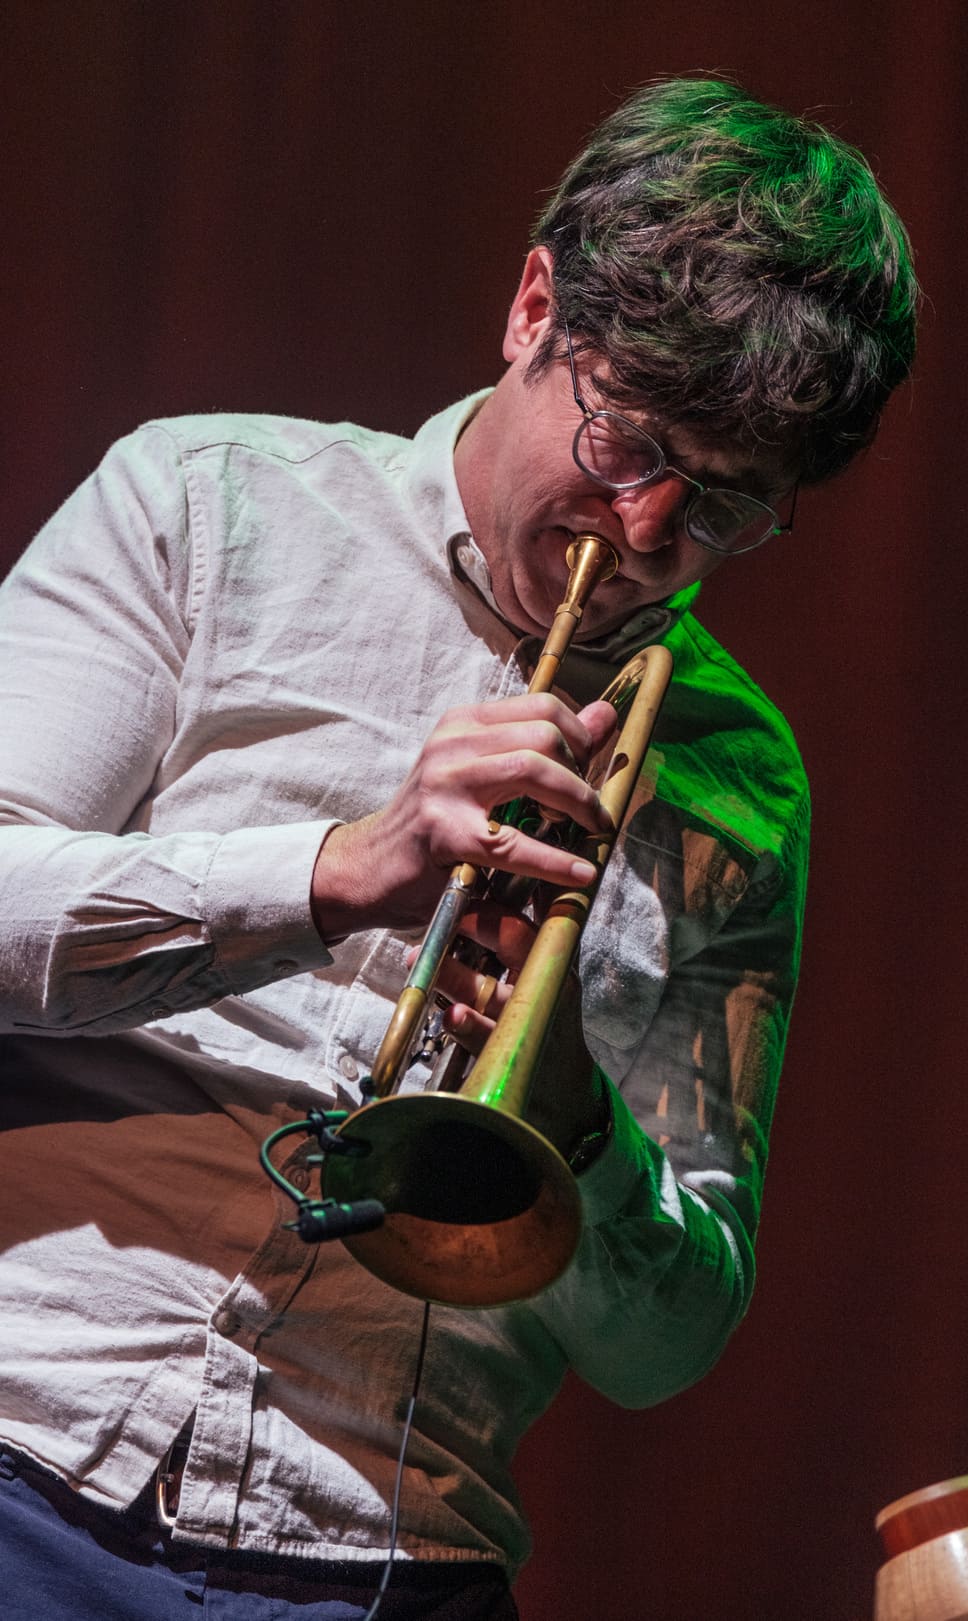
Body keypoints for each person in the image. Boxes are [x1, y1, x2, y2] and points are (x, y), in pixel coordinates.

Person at [0, 76, 916, 1618]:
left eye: (724, 506)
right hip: (26, 1440)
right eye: (627, 442)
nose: (644, 536)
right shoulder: (208, 504)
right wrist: (338, 871)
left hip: (387, 1551)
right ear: (532, 308)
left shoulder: (737, 778)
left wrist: (577, 1127)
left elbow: (670, 1342)